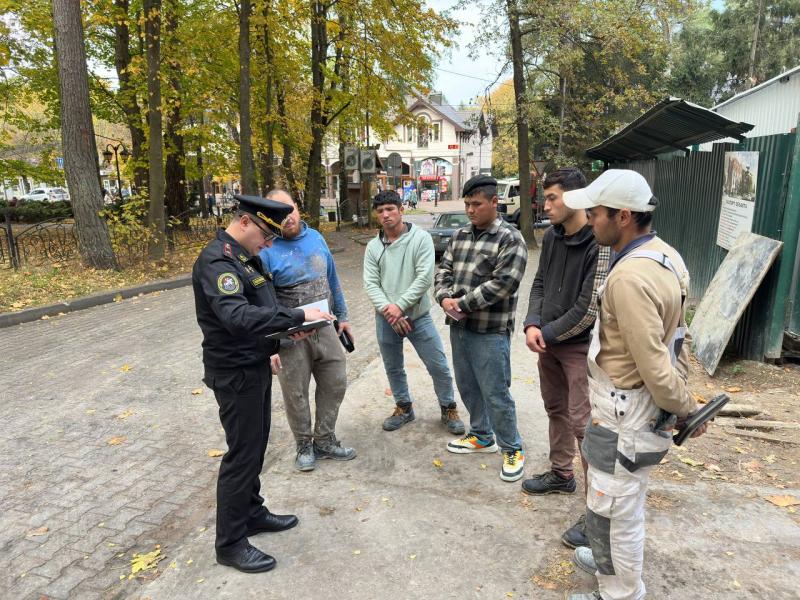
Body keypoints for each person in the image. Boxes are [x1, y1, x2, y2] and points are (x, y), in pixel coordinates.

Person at [561, 170, 707, 600]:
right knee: (622, 502)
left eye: (595, 213)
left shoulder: (628, 279)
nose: (589, 220)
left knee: (613, 511)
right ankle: (615, 570)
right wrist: (680, 400)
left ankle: (619, 591)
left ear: (623, 216)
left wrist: (684, 408)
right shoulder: (666, 256)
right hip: (632, 406)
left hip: (624, 409)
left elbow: (654, 364)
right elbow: (677, 339)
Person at [192, 194, 334, 573]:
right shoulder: (217, 262)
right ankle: (230, 543)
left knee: (254, 448)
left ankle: (252, 512)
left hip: (253, 363)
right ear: (244, 223)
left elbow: (262, 310)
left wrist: (287, 331)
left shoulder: (243, 257)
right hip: (234, 372)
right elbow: (237, 316)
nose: (269, 243)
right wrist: (299, 314)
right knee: (241, 457)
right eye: (265, 234)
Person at [520, 167, 610, 549]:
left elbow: (589, 308)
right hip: (548, 342)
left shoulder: (598, 242)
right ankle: (561, 474)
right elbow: (539, 283)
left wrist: (548, 332)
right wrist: (531, 322)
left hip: (578, 348)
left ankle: (597, 515)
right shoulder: (552, 236)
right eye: (546, 197)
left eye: (553, 197)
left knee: (584, 424)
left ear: (576, 197)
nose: (546, 204)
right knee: (555, 408)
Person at [434, 174, 528, 482]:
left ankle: (512, 447)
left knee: (496, 392)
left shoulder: (510, 239)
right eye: (467, 204)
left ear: (493, 202)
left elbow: (503, 284)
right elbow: (443, 270)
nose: (471, 210)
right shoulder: (461, 235)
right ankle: (481, 435)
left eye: (476, 204)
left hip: (491, 331)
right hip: (459, 328)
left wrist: (460, 304)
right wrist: (444, 297)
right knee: (468, 386)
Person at [260, 189, 356, 472]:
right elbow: (264, 300)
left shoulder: (316, 238)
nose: (286, 217)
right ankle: (304, 444)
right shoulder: (266, 249)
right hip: (291, 336)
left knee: (335, 381)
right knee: (295, 391)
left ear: (297, 207)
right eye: (277, 213)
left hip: (325, 326)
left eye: (289, 209)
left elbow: (332, 279)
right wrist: (276, 339)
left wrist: (343, 316)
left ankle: (325, 440)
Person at [363, 190, 465, 434]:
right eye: (380, 211)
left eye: (390, 209)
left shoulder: (420, 239)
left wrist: (399, 307)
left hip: (418, 316)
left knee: (437, 364)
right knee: (393, 366)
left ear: (401, 209)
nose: (386, 215)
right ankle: (404, 407)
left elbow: (423, 278)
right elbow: (371, 283)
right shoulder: (373, 247)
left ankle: (448, 407)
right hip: (386, 318)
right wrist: (391, 311)